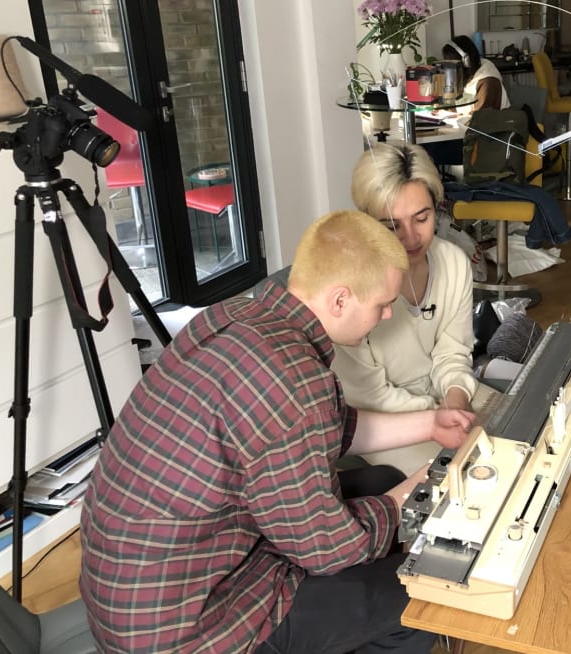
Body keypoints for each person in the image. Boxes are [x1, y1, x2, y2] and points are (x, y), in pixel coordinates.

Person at [79, 210, 475, 654]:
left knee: (379, 480)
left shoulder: (237, 315)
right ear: (340, 300)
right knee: (419, 602)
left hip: (132, 587)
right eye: (382, 303)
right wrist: (417, 495)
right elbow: (328, 549)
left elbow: (322, 428)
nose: (386, 315)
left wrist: (429, 424)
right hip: (183, 631)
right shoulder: (293, 378)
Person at [333, 144, 478, 440]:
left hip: (440, 406)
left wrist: (454, 402)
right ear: (367, 221)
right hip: (384, 423)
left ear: (436, 207)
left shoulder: (454, 262)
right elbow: (369, 396)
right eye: (391, 226)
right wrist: (435, 416)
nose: (410, 238)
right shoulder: (352, 286)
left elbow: (454, 352)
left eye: (422, 218)